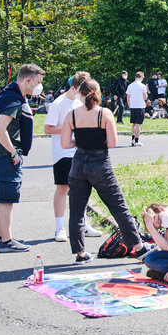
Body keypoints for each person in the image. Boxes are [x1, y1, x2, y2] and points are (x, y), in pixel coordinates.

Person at [61, 78, 149, 264]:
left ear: (80, 94)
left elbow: (65, 143)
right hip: (100, 163)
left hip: (78, 164)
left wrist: (81, 141)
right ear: (98, 94)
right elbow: (112, 142)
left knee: (77, 210)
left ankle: (80, 253)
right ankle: (139, 247)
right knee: (118, 206)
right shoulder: (104, 113)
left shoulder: (72, 115)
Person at [0, 64, 46, 252]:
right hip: (5, 155)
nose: (38, 87)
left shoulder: (10, 95)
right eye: (37, 82)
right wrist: (13, 153)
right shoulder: (13, 101)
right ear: (28, 80)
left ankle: (1, 236)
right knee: (6, 198)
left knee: (2, 197)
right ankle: (6, 241)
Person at [43, 71, 103, 242]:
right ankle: (59, 227)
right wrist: (70, 127)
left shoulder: (81, 102)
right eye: (82, 90)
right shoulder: (59, 103)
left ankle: (83, 225)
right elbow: (48, 128)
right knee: (63, 188)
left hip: (81, 151)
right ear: (74, 87)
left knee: (83, 189)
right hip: (63, 153)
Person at [126, 71, 148, 146]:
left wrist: (130, 105)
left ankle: (132, 139)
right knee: (138, 124)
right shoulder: (142, 86)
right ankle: (137, 140)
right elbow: (145, 97)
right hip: (140, 106)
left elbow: (128, 98)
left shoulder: (130, 85)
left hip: (133, 106)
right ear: (141, 77)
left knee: (134, 124)